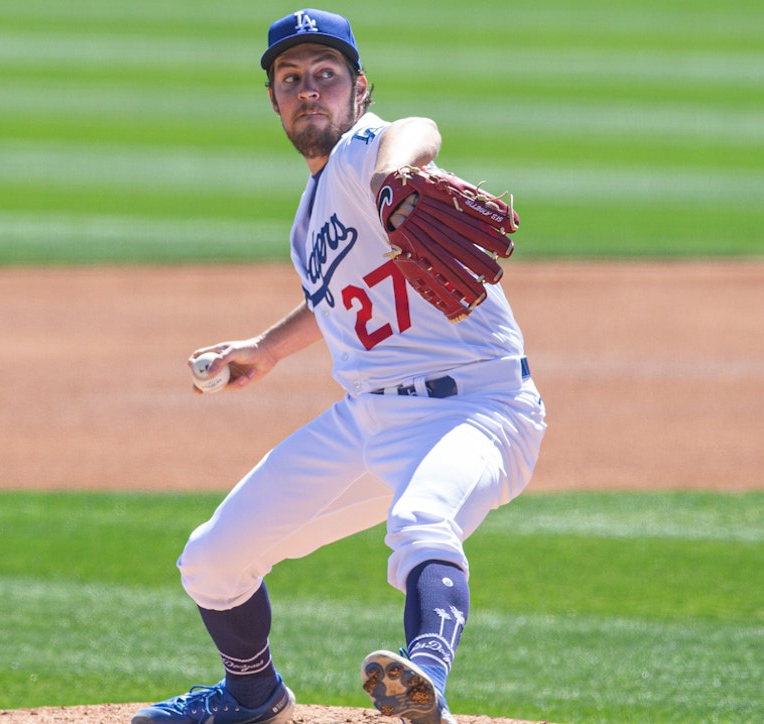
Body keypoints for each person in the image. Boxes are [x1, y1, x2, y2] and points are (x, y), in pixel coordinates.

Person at [132, 9, 546, 724]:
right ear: (274, 101)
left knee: (422, 520)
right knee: (212, 559)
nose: (308, 90)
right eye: (291, 79)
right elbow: (334, 301)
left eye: (327, 75)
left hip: (477, 408)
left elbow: (414, 129)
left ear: (359, 89)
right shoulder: (308, 217)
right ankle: (254, 695)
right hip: (370, 418)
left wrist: (393, 169)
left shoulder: (366, 154)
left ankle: (427, 682)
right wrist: (264, 348)